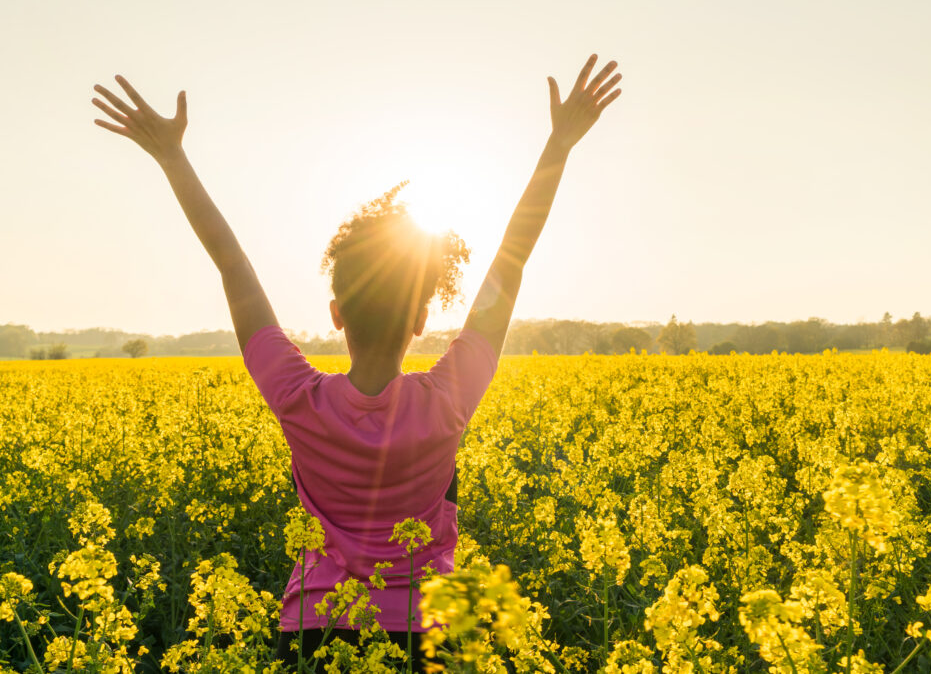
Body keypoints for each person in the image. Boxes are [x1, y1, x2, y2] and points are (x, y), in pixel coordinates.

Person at [92, 54, 622, 672]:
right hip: (429, 630)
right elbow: (511, 261)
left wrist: (172, 158)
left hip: (319, 627)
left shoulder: (298, 397)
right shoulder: (447, 400)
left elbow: (232, 266)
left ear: (336, 314)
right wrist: (559, 144)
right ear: (422, 321)